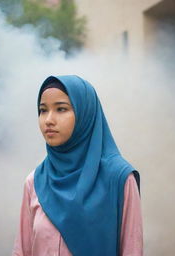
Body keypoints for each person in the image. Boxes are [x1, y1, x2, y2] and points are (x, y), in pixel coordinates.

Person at [12, 75, 143, 256]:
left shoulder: (119, 178)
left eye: (61, 109)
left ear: (85, 113)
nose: (49, 119)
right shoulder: (35, 181)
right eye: (43, 110)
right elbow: (22, 251)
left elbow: (132, 251)